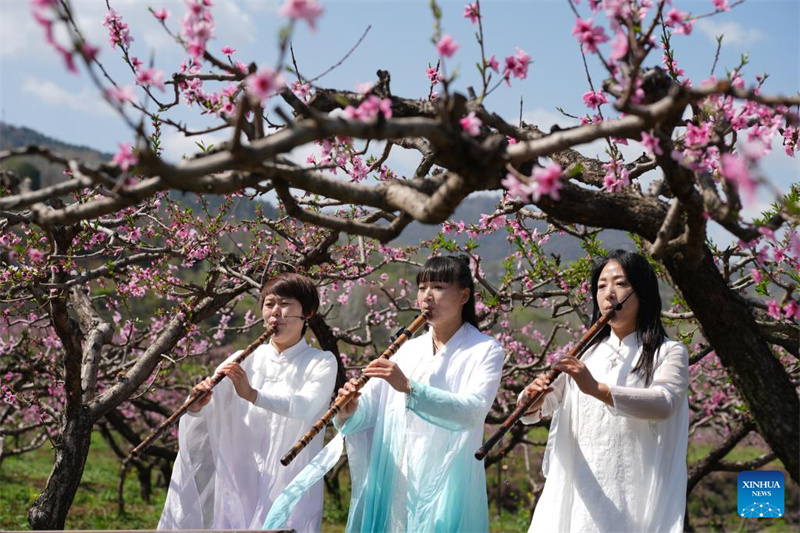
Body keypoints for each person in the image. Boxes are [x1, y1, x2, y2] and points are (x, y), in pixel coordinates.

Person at [520, 250, 689, 533]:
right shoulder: (583, 354)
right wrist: (530, 400)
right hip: (578, 495)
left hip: (633, 496)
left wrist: (597, 389)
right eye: (601, 286)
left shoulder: (668, 352)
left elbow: (664, 403)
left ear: (643, 292)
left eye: (620, 283)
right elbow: (541, 407)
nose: (609, 293)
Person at [334, 255, 504, 532]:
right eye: (422, 288)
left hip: (447, 474)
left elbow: (473, 411)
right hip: (399, 473)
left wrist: (410, 388)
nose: (427, 296)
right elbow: (372, 411)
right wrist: (349, 408)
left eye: (437, 287)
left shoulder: (486, 349)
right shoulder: (406, 349)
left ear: (464, 295)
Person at [158, 273, 338, 532]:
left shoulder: (321, 362)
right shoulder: (243, 359)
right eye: (269, 304)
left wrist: (253, 395)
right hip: (241, 476)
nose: (275, 312)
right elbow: (212, 407)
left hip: (290, 479)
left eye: (285, 304)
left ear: (308, 312)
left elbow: (306, 406)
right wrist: (197, 404)